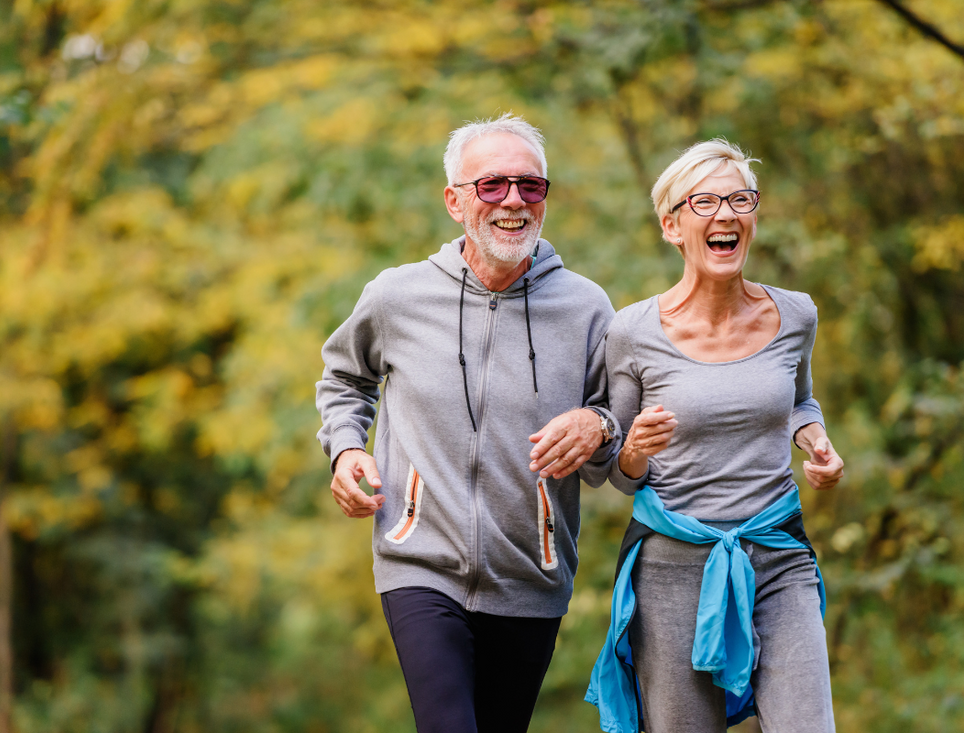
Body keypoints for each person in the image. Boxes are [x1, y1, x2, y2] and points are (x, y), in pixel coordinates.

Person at [315, 113, 621, 733]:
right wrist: (346, 450)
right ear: (455, 201)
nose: (513, 200)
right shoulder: (396, 296)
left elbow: (617, 443)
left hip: (531, 574)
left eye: (530, 186)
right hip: (417, 561)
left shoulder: (587, 308)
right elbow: (345, 379)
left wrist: (599, 424)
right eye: (492, 185)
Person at [585, 139, 845, 733]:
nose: (724, 214)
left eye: (739, 199)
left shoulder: (796, 314)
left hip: (777, 556)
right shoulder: (632, 332)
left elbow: (799, 401)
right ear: (672, 226)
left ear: (754, 217)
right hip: (673, 568)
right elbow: (613, 475)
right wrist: (634, 450)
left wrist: (816, 442)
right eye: (703, 202)